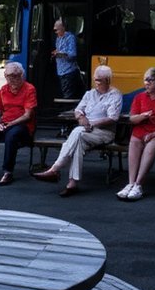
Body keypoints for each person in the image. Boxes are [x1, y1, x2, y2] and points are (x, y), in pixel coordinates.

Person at [33, 65, 123, 197]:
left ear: (108, 80)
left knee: (77, 133)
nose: (96, 82)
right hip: (85, 131)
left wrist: (91, 123)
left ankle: (55, 169)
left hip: (104, 132)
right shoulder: (89, 94)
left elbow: (113, 118)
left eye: (99, 80)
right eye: (95, 79)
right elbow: (78, 110)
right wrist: (81, 117)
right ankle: (72, 183)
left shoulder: (115, 95)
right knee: (78, 141)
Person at [117, 67, 155, 202]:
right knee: (134, 141)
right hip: (142, 130)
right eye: (145, 80)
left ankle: (138, 185)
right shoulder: (139, 97)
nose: (147, 83)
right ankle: (130, 183)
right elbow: (132, 119)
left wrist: (153, 134)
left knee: (151, 146)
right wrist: (142, 116)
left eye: (150, 80)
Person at [51, 19, 83, 99]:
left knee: (68, 96)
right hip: (60, 71)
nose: (56, 32)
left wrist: (60, 54)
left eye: (57, 30)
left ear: (63, 28)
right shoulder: (58, 39)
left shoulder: (70, 38)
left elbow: (72, 54)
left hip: (68, 71)